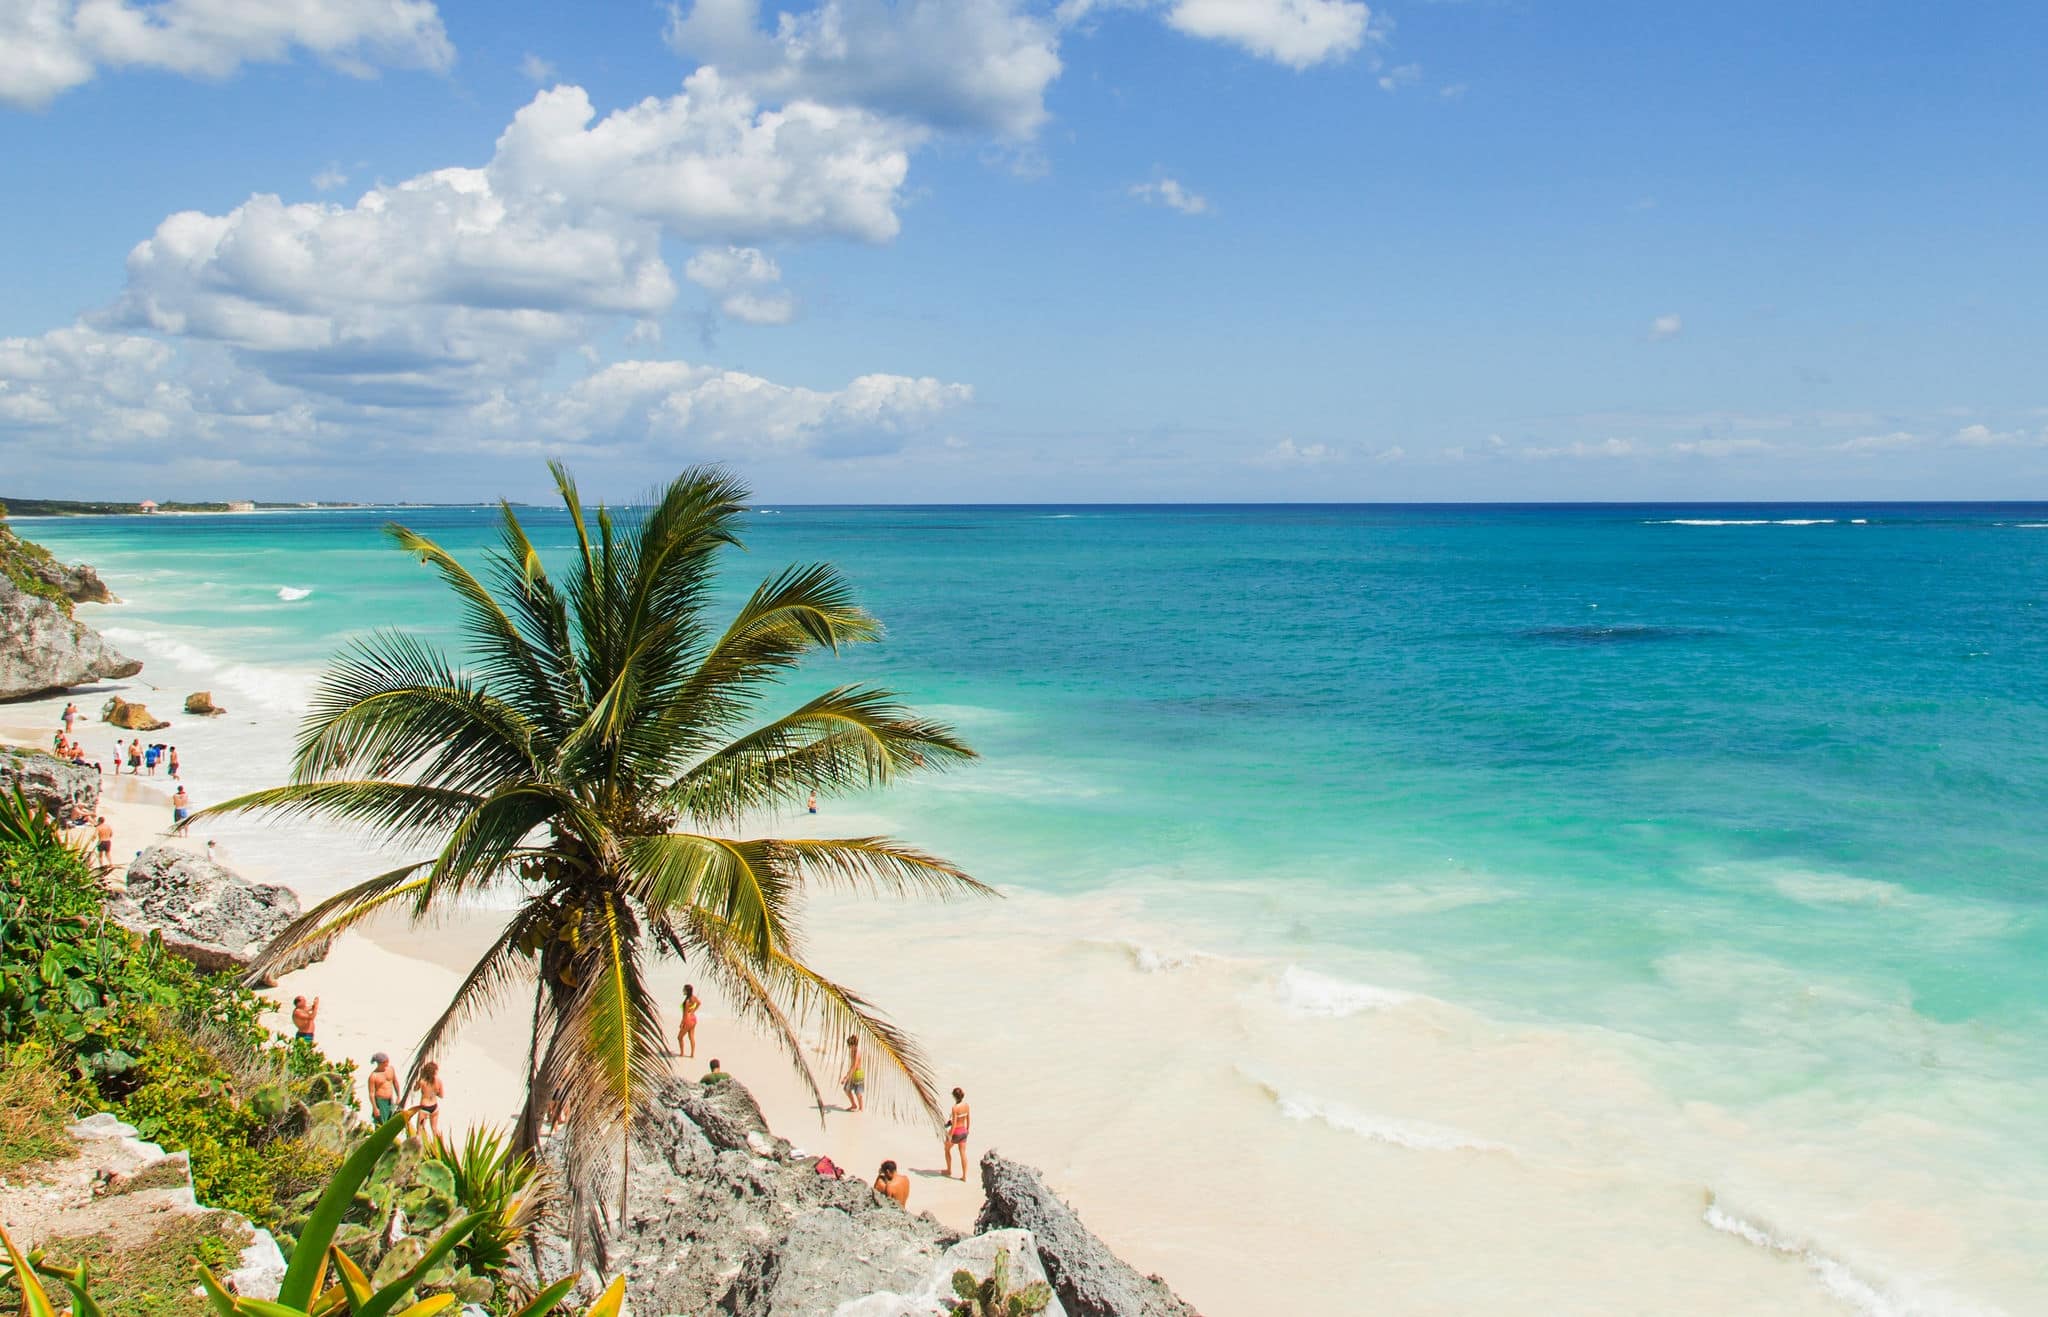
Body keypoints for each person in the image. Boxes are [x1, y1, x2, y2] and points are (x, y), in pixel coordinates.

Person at [411, 1061, 446, 1143]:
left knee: (419, 1131)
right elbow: (441, 1095)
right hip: (435, 1107)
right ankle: (439, 1147)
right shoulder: (439, 1081)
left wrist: (419, 1078)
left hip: (424, 1108)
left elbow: (415, 1089)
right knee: (434, 1129)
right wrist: (434, 1092)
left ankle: (418, 1149)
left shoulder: (422, 1081)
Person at [943, 1087, 971, 1180]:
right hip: (963, 1131)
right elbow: (968, 1118)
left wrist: (950, 1136)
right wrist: (967, 1130)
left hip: (956, 1132)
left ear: (954, 1097)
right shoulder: (966, 1105)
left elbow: (954, 1124)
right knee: (963, 1153)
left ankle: (949, 1170)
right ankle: (964, 1176)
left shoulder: (955, 1108)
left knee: (946, 1149)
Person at [366, 1053, 401, 1123]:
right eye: (385, 1062)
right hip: (380, 1102)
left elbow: (395, 1082)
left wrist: (398, 1096)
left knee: (391, 1120)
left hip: (390, 1100)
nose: (387, 1063)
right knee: (382, 1122)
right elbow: (371, 1094)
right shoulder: (373, 1076)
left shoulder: (391, 1069)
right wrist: (375, 1108)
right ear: (380, 1063)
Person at [841, 1036, 865, 1111]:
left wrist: (846, 1077)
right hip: (852, 1073)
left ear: (854, 1045)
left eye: (850, 1045)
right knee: (846, 1089)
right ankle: (854, 1105)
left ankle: (861, 1108)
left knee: (858, 1093)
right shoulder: (852, 1051)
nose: (849, 1047)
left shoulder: (857, 1052)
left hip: (858, 1074)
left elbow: (854, 1066)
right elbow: (852, 1066)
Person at [678, 983, 701, 1058]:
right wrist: (693, 1011)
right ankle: (692, 1054)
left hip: (687, 1019)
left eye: (684, 990)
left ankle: (682, 1053)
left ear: (687, 991)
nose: (683, 991)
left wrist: (682, 1023)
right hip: (693, 1018)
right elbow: (699, 1003)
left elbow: (684, 1014)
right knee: (691, 1036)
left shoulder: (687, 1001)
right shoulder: (693, 997)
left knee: (680, 1037)